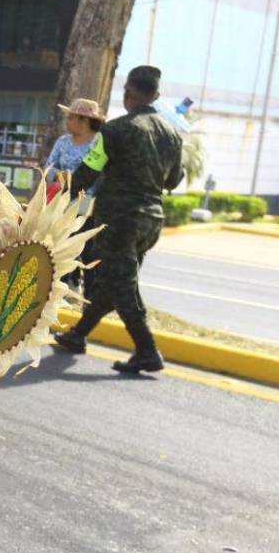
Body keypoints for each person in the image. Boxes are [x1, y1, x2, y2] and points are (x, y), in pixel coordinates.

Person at [53, 65, 184, 374]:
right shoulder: (171, 134)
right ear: (156, 95)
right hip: (152, 220)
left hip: (120, 221)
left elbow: (87, 173)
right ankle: (77, 335)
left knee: (122, 286)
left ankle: (147, 350)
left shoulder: (114, 131)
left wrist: (60, 202)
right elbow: (174, 181)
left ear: (127, 93)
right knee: (113, 281)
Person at [45, 97, 105, 290]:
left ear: (84, 121)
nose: (67, 121)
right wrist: (61, 177)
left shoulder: (99, 143)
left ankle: (87, 294)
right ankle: (60, 288)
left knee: (86, 250)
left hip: (89, 205)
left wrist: (68, 178)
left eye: (71, 118)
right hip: (61, 203)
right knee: (61, 248)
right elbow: (49, 169)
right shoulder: (62, 142)